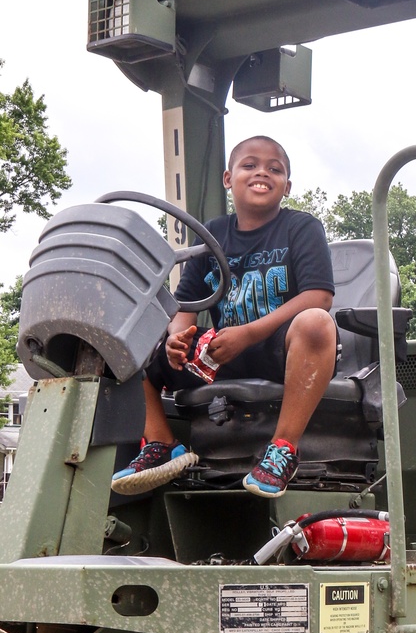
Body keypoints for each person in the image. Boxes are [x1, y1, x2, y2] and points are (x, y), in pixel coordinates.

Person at [111, 135, 337, 498]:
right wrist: (177, 339)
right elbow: (185, 304)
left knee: (316, 322)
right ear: (228, 178)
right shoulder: (213, 234)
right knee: (135, 331)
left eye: (274, 169)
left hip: (281, 351)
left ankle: (282, 450)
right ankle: (162, 444)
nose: (262, 172)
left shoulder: (301, 227)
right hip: (223, 354)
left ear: (287, 186)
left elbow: (319, 296)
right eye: (249, 165)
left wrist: (247, 334)